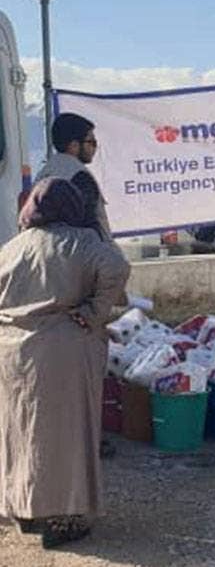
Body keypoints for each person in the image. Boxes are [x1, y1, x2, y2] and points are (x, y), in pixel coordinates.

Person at [0, 178, 130, 548]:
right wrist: (93, 312)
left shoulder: (12, 246)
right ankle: (63, 517)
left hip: (11, 354)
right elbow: (117, 267)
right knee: (65, 435)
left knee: (19, 432)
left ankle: (25, 509)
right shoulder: (82, 241)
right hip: (62, 350)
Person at [36, 112, 111, 240]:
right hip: (83, 249)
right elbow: (90, 225)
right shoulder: (79, 176)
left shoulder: (44, 173)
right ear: (74, 145)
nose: (95, 147)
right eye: (91, 142)